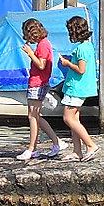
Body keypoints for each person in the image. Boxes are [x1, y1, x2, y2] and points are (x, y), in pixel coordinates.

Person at [55, 15, 101, 162]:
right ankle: (77, 151)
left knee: (68, 118)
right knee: (75, 118)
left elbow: (81, 70)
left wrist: (67, 63)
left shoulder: (81, 49)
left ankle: (90, 145)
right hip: (79, 87)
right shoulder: (88, 46)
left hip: (77, 87)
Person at [18, 18, 62, 162]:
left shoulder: (43, 45)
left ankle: (33, 148)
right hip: (37, 82)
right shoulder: (44, 44)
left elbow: (41, 65)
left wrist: (30, 53)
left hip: (38, 83)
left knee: (33, 116)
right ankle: (55, 143)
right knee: (36, 116)